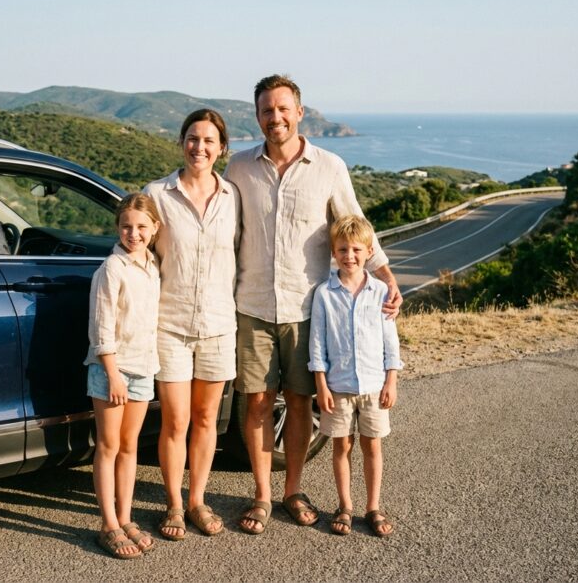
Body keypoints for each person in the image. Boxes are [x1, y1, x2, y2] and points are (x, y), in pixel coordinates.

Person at [223, 74, 402, 534]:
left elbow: (354, 225)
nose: (275, 117)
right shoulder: (239, 168)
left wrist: (385, 275)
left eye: (283, 108)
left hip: (308, 309)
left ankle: (292, 490)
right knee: (257, 404)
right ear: (257, 116)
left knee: (300, 403)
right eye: (266, 110)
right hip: (252, 305)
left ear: (299, 113)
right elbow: (224, 234)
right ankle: (262, 496)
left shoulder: (329, 166)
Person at [143, 109, 240, 539]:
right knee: (175, 421)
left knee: (206, 419)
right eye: (192, 138)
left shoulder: (233, 197)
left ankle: (198, 499)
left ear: (221, 149)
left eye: (208, 141)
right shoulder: (158, 194)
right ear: (181, 141)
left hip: (219, 323)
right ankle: (174, 505)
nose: (199, 147)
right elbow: (139, 254)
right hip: (171, 324)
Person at [309, 215, 402, 537]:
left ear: (369, 251)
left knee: (372, 446)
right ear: (334, 253)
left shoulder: (380, 292)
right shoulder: (325, 293)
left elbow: (391, 342)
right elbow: (317, 343)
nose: (350, 256)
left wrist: (392, 380)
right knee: (341, 447)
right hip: (337, 386)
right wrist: (321, 384)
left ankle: (373, 506)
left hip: (375, 386)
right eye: (343, 249)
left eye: (357, 250)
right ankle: (345, 505)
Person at [84, 193, 162, 559]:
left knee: (131, 447)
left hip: (144, 367)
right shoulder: (111, 269)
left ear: (154, 229)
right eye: (127, 226)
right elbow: (101, 329)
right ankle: (108, 524)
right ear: (117, 228)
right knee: (109, 446)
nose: (134, 233)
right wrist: (113, 374)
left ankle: (126, 516)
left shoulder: (152, 266)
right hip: (111, 370)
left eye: (142, 227)